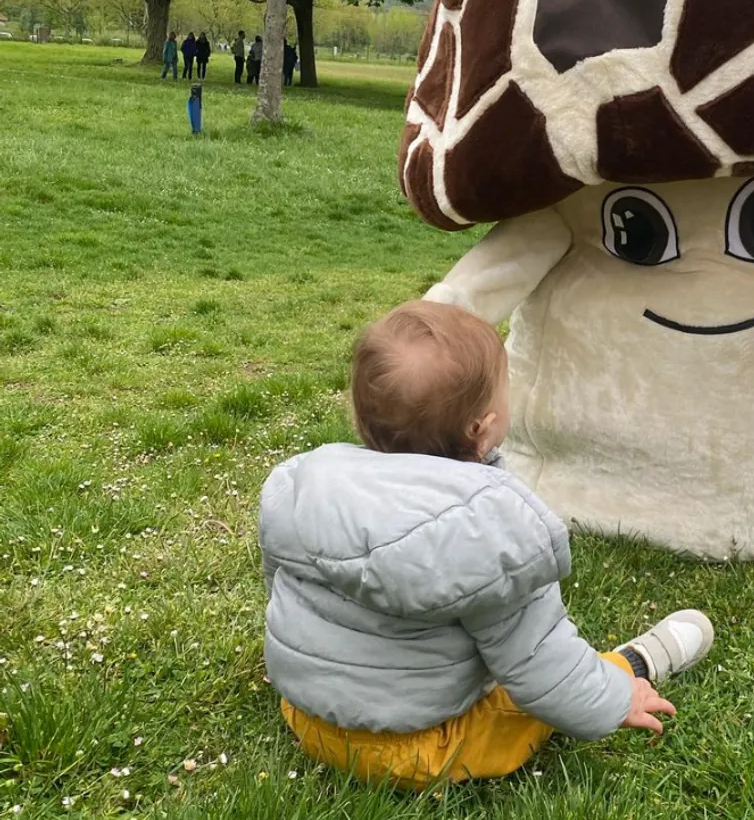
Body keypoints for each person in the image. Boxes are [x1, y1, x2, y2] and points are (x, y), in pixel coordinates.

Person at [259, 300, 714, 790]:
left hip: (308, 720)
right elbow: (539, 663)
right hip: (419, 748)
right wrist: (612, 701)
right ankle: (633, 665)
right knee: (525, 701)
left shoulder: (304, 484)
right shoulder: (486, 533)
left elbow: (281, 591)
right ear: (482, 427)